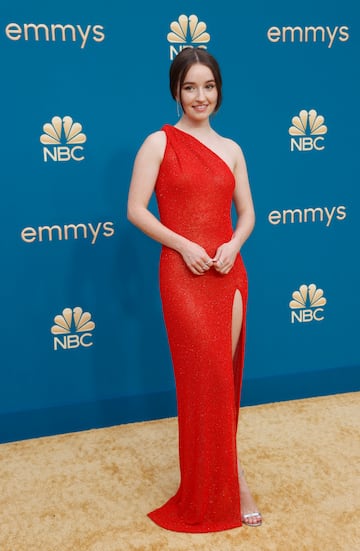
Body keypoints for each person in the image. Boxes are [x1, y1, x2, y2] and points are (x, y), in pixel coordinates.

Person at [127, 47, 261, 533]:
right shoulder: (158, 143)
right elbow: (137, 210)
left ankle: (234, 478)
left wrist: (233, 243)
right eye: (189, 87)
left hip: (229, 273)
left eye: (208, 86)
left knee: (223, 382)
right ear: (175, 92)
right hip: (183, 276)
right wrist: (184, 245)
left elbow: (247, 213)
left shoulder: (232, 149)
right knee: (200, 383)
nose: (199, 96)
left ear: (219, 90)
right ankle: (212, 486)